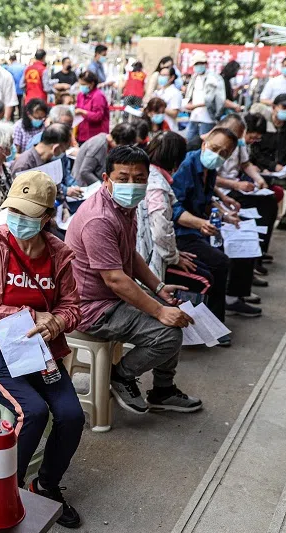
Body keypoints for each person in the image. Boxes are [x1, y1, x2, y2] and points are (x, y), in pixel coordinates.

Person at [0, 171, 84, 528]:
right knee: (32, 411)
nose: (19, 220)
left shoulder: (59, 255)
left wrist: (56, 323)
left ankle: (45, 485)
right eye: (14, 210)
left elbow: (73, 308)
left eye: (29, 215)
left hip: (40, 349)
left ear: (47, 218)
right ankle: (2, 489)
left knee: (72, 415)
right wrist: (33, 314)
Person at [66, 145, 202, 414]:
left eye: (139, 179)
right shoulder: (99, 218)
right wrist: (160, 311)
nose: (132, 184)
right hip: (92, 307)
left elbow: (130, 255)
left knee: (175, 314)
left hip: (111, 296)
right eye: (123, 178)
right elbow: (115, 279)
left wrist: (159, 288)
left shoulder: (124, 207)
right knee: (168, 333)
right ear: (106, 180)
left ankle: (163, 391)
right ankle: (121, 375)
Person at [171, 127, 241, 340]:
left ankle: (212, 318)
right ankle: (215, 325)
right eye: (215, 148)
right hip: (180, 234)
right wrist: (200, 223)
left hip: (196, 231)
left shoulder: (209, 170)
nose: (217, 155)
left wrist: (226, 215)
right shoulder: (186, 166)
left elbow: (205, 198)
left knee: (223, 255)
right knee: (220, 262)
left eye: (224, 153)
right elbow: (174, 209)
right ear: (204, 144)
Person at [215, 113, 279, 281]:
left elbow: (245, 164)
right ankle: (245, 270)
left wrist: (259, 179)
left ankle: (257, 255)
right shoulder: (214, 145)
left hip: (234, 189)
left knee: (269, 202)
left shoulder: (239, 144)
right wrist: (235, 185)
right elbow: (210, 179)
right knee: (249, 216)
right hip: (225, 190)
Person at [136, 131, 199, 281]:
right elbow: (160, 230)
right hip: (148, 261)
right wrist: (174, 257)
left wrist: (174, 252)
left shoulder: (147, 174)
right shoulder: (158, 186)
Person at [249, 97, 286, 234]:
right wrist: (270, 166)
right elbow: (255, 152)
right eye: (284, 108)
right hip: (262, 170)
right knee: (269, 193)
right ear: (274, 107)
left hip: (282, 172)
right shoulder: (264, 125)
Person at [71, 123, 138, 186]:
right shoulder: (99, 145)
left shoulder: (107, 143)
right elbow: (85, 172)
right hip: (82, 186)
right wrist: (104, 186)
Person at [182, 51, 225, 142]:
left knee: (204, 144)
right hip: (194, 117)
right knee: (189, 142)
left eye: (200, 63)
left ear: (205, 64)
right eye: (196, 64)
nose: (198, 66)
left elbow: (213, 99)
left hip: (208, 118)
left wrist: (195, 106)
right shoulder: (194, 77)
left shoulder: (213, 78)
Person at [73, 71, 109, 144]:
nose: (81, 87)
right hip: (82, 134)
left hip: (95, 135)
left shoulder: (98, 96)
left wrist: (83, 112)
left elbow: (98, 116)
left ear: (92, 84)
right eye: (80, 84)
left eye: (83, 84)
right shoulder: (80, 95)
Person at [154, 66, 183, 131]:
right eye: (160, 75)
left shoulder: (175, 93)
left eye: (164, 75)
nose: (161, 77)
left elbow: (174, 113)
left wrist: (160, 107)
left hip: (169, 128)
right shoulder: (159, 92)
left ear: (172, 77)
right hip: (158, 128)